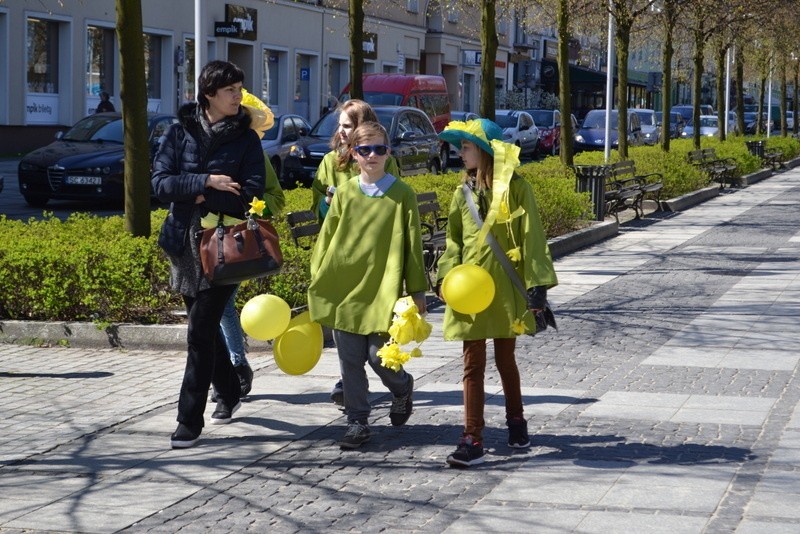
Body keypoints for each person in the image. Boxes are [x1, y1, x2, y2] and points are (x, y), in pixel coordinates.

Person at [152, 60, 266, 449]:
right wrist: (204, 181)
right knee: (205, 328)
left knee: (199, 331)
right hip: (183, 245)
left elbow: (251, 192)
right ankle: (231, 389)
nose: (238, 96)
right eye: (231, 90)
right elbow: (159, 183)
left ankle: (189, 421)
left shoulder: (246, 138)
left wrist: (203, 193)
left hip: (223, 248)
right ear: (209, 95)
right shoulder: (178, 132)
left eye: (239, 88)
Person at [436, 118, 558, 467]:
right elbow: (453, 242)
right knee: (472, 365)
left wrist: (537, 288)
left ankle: (516, 421)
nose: (461, 153)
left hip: (506, 290)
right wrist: (446, 277)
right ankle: (472, 436)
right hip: (469, 294)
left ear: (487, 152)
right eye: (460, 147)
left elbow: (532, 238)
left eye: (468, 147)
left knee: (505, 361)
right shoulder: (462, 194)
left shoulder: (518, 189)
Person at [307, 121, 427, 449]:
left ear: (389, 152)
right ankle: (357, 422)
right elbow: (327, 239)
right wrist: (319, 277)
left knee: (378, 357)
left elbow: (413, 246)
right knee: (349, 361)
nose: (372, 155)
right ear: (353, 154)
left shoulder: (402, 194)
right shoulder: (344, 193)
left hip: (383, 291)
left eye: (379, 149)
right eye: (364, 150)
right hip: (345, 288)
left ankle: (402, 388)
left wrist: (417, 291)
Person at [309, 99, 401, 406]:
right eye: (340, 125)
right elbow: (318, 208)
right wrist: (327, 203)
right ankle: (355, 411)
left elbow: (394, 203)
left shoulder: (385, 158)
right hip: (343, 258)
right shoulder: (329, 163)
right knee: (347, 338)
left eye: (347, 125)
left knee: (377, 351)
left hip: (377, 263)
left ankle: (399, 387)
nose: (341, 131)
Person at [216, 157, 285, 400]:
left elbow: (276, 199)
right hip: (202, 242)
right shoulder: (200, 147)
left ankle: (235, 367)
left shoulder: (253, 152)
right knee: (213, 310)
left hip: (235, 243)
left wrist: (250, 208)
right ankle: (229, 371)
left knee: (222, 306)